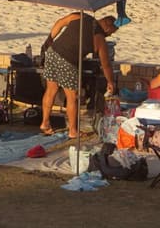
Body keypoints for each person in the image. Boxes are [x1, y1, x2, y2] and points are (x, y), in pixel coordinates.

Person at [39, 10, 116, 138]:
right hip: (68, 61)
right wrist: (110, 81)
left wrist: (49, 40)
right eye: (111, 33)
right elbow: (105, 64)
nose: (109, 35)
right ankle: (73, 131)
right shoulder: (100, 38)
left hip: (53, 52)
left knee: (51, 90)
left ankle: (45, 123)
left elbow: (60, 22)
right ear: (107, 28)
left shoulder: (81, 16)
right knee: (72, 97)